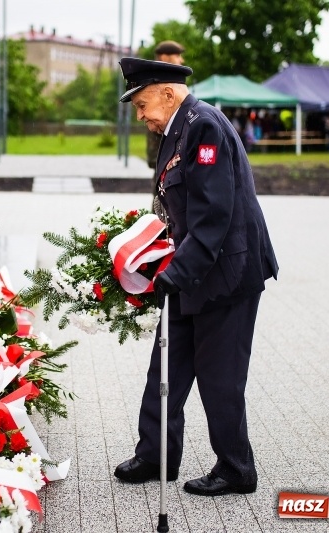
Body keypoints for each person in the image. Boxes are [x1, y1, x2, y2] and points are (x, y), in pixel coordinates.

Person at [113, 57, 279, 497]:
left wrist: (177, 271)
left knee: (219, 376)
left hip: (227, 274)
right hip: (194, 270)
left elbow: (213, 213)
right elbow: (178, 206)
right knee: (166, 366)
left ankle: (236, 469)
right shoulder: (179, 128)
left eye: (142, 104)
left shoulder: (203, 126)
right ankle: (156, 455)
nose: (140, 115)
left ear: (168, 94)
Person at [146, 41, 186, 211]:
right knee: (162, 211)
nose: (181, 60)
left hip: (170, 160)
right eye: (177, 55)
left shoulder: (170, 82)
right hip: (164, 160)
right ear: (164, 57)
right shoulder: (158, 85)